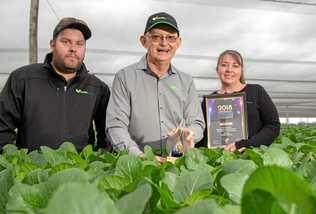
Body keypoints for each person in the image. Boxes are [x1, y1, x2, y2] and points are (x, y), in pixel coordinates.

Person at [0, 17, 111, 151]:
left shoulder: (98, 88)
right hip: (31, 169)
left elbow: (106, 136)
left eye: (79, 43)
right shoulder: (22, 79)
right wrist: (12, 161)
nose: (73, 49)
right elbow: (3, 128)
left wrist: (98, 164)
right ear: (52, 44)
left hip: (81, 169)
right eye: (66, 42)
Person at [106, 12, 205, 159]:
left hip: (176, 161)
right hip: (137, 163)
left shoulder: (186, 81)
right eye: (156, 37)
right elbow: (116, 126)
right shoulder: (125, 77)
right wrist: (140, 157)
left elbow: (197, 123)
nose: (164, 43)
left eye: (171, 37)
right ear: (144, 41)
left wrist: (182, 144)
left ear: (178, 42)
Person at [196, 50, 280, 151]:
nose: (229, 70)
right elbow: (202, 135)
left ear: (241, 70)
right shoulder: (208, 102)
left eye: (235, 66)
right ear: (217, 69)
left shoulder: (256, 91)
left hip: (253, 158)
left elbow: (273, 126)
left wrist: (246, 144)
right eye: (224, 65)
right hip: (218, 160)